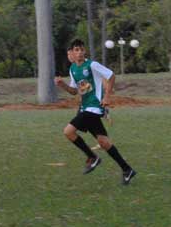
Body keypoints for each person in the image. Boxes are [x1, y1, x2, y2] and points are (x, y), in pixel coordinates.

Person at [55, 39, 137, 185]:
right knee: (103, 142)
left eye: (81, 49)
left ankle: (92, 157)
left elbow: (111, 76)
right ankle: (127, 169)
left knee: (68, 131)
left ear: (84, 51)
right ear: (72, 53)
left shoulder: (92, 65)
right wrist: (62, 85)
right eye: (76, 50)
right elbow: (75, 91)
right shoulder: (73, 69)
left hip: (94, 108)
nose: (79, 52)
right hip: (86, 107)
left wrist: (106, 96)